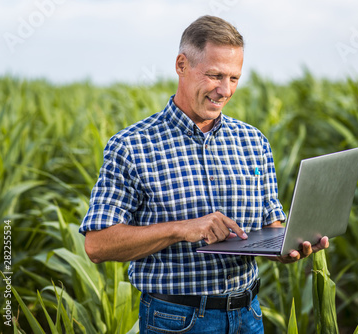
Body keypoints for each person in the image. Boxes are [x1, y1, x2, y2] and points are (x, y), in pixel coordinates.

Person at [79, 15, 329, 333]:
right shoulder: (131, 146)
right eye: (214, 75)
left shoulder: (253, 142)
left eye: (234, 78)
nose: (224, 90)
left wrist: (289, 245)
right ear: (182, 64)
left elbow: (271, 226)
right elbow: (97, 245)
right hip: (175, 320)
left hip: (248, 316)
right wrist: (184, 229)